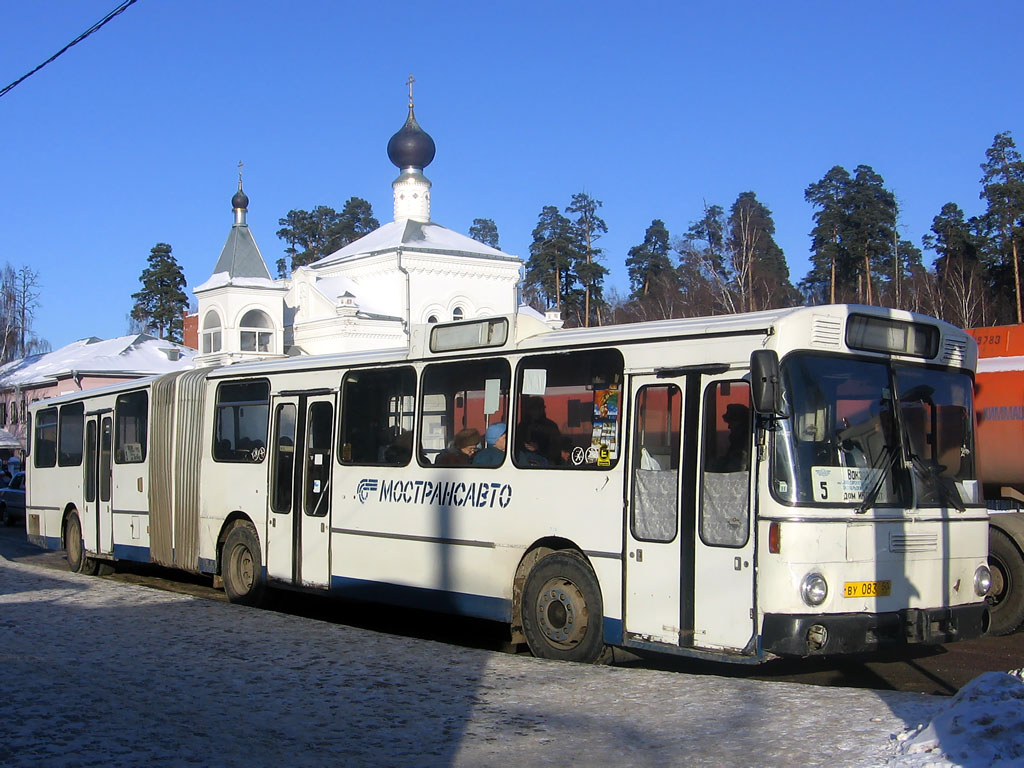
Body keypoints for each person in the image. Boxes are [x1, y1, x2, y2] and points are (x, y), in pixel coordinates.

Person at [718, 403, 751, 472]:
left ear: (741, 424)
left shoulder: (743, 448)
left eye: (731, 423)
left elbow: (735, 470)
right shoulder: (737, 444)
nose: (729, 427)